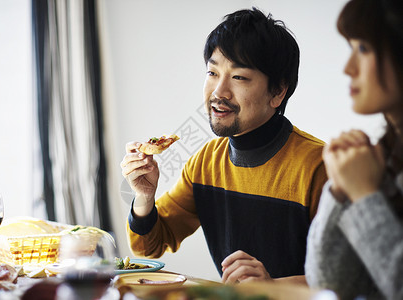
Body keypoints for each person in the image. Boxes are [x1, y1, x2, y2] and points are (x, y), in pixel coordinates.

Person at [121, 7, 327, 284]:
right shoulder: (206, 162)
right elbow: (150, 247)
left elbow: (360, 277)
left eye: (239, 77)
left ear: (278, 91)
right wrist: (144, 197)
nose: (219, 93)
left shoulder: (320, 166)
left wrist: (273, 287)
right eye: (212, 73)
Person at [304, 0, 403, 299]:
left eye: (363, 49)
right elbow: (328, 283)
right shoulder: (382, 156)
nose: (348, 68)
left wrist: (364, 195)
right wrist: (340, 189)